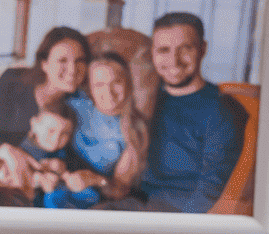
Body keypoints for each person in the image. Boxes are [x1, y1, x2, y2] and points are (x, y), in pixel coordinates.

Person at [103, 12, 245, 213]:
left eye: (185, 48)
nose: (174, 60)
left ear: (202, 49)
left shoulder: (223, 110)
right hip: (131, 203)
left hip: (175, 215)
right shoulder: (146, 99)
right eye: (163, 50)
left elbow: (208, 193)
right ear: (152, 52)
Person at [0, 26, 91, 203]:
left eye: (80, 60)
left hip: (38, 186)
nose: (73, 69)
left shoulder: (78, 105)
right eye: (63, 60)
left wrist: (58, 170)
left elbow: (74, 158)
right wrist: (11, 154)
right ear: (44, 63)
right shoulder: (13, 81)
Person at [44, 52, 149, 209]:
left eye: (117, 82)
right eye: (99, 84)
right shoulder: (73, 106)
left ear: (128, 82)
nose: (108, 92)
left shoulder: (135, 128)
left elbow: (119, 189)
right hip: (53, 177)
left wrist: (94, 179)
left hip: (95, 194)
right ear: (89, 87)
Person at [0, 99, 76, 206]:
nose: (56, 139)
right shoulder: (19, 147)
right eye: (51, 131)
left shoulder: (62, 154)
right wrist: (38, 179)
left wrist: (58, 179)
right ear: (34, 124)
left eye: (65, 134)